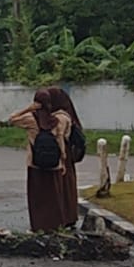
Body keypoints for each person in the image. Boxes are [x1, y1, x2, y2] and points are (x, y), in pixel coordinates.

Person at [7, 88, 73, 232]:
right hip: (54, 165)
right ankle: (55, 226)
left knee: (37, 198)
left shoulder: (31, 119)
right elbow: (60, 141)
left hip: (35, 164)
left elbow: (11, 119)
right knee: (54, 197)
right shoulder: (57, 121)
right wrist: (63, 161)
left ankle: (38, 226)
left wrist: (28, 108)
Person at [45, 86, 82, 228]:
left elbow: (58, 135)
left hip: (61, 152)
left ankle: (61, 216)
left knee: (60, 183)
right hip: (67, 153)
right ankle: (69, 215)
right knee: (68, 184)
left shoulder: (59, 117)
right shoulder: (69, 114)